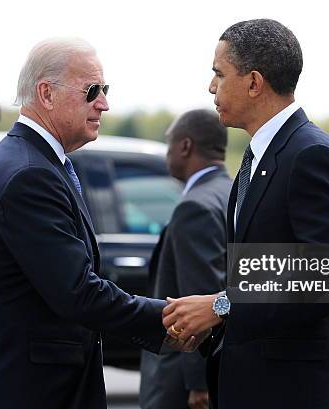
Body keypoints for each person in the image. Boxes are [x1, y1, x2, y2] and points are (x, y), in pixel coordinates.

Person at [0, 38, 204, 409]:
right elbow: (77, 292)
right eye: (92, 91)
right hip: (23, 393)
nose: (104, 103)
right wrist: (170, 320)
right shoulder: (27, 174)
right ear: (46, 93)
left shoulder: (33, 163)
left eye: (105, 90)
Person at [162, 19, 329, 409]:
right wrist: (215, 317)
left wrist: (221, 305)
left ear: (254, 82)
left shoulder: (310, 155)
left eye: (219, 75)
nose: (211, 87)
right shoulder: (258, 156)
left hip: (306, 391)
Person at [140, 109, 232, 409]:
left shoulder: (194, 207)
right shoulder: (232, 194)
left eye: (169, 143)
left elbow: (199, 297)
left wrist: (199, 383)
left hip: (181, 380)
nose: (167, 152)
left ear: (185, 146)